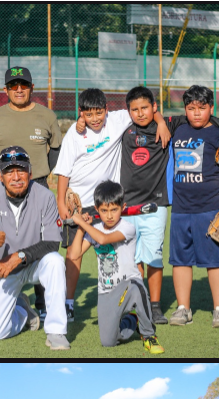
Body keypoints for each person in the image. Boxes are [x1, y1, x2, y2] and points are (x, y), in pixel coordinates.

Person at [56, 88, 169, 323]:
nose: (95, 118)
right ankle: (68, 303)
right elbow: (64, 172)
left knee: (117, 254)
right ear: (81, 113)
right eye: (88, 114)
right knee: (74, 255)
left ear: (107, 110)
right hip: (80, 204)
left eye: (99, 113)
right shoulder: (74, 134)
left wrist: (160, 122)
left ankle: (125, 302)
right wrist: (60, 201)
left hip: (108, 204)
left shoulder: (118, 119)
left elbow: (145, 110)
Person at [0, 146, 69, 349]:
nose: (16, 177)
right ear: (0, 176)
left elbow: (53, 242)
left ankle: (56, 332)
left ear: (30, 173)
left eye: (21, 170)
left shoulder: (44, 196)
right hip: (0, 270)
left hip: (32, 265)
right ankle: (23, 311)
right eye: (9, 171)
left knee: (55, 261)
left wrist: (19, 256)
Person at [0, 66, 64, 318]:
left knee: (43, 244)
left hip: (38, 185)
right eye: (13, 86)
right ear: (5, 89)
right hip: (4, 189)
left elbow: (56, 148)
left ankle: (44, 303)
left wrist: (44, 170)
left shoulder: (47, 115)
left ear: (31, 88)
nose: (19, 89)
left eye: (23, 85)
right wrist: (0, 173)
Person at [162, 85, 219, 328]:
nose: (196, 113)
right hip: (181, 209)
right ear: (184, 109)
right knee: (180, 260)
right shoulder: (178, 128)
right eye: (191, 108)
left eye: (202, 108)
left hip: (210, 208)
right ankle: (183, 308)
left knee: (214, 260)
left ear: (211, 108)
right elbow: (155, 116)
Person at [68, 180, 165, 353]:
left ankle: (149, 335)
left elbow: (104, 239)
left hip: (129, 284)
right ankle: (132, 320)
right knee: (108, 342)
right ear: (97, 209)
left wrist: (82, 223)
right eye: (104, 211)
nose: (110, 216)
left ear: (123, 207)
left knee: (137, 287)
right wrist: (82, 228)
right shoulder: (94, 229)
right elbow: (74, 255)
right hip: (106, 291)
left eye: (114, 210)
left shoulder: (128, 228)